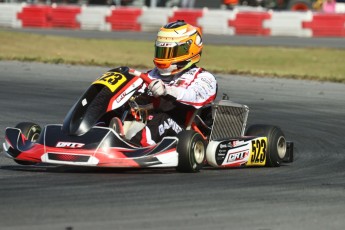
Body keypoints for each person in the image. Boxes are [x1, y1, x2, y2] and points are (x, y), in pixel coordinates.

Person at [117, 20, 217, 147]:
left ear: (188, 50)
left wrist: (167, 90)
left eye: (170, 52)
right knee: (119, 108)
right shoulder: (150, 75)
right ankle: (98, 136)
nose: (164, 57)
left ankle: (132, 146)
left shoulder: (204, 77)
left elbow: (194, 96)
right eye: (162, 51)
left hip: (183, 130)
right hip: (149, 122)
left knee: (163, 119)